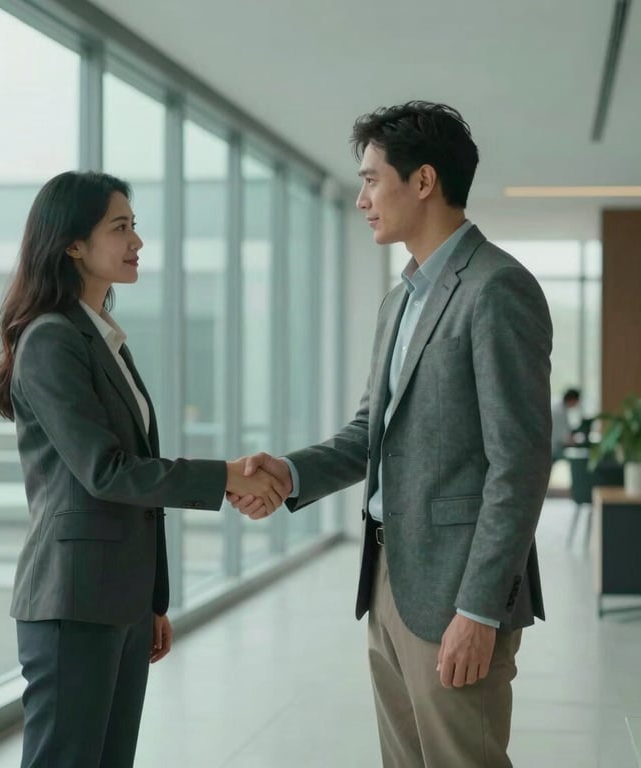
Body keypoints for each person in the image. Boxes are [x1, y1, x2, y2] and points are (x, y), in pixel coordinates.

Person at [231, 102, 552, 767]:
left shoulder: (496, 289)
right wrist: (290, 473)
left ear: (425, 181)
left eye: (372, 179)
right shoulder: (401, 299)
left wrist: (480, 611)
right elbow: (368, 433)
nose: (362, 199)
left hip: (459, 590)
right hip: (390, 577)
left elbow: (517, 465)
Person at [0, 170, 288, 768]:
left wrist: (149, 600)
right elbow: (108, 471)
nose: (137, 242)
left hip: (113, 598)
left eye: (134, 227)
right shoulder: (51, 339)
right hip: (72, 602)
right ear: (72, 244)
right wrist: (226, 475)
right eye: (119, 228)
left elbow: (129, 477)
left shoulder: (102, 339)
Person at [551, 387, 581, 460]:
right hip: (553, 447)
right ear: (572, 400)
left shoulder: (561, 408)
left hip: (554, 445)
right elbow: (562, 435)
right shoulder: (558, 411)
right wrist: (573, 441)